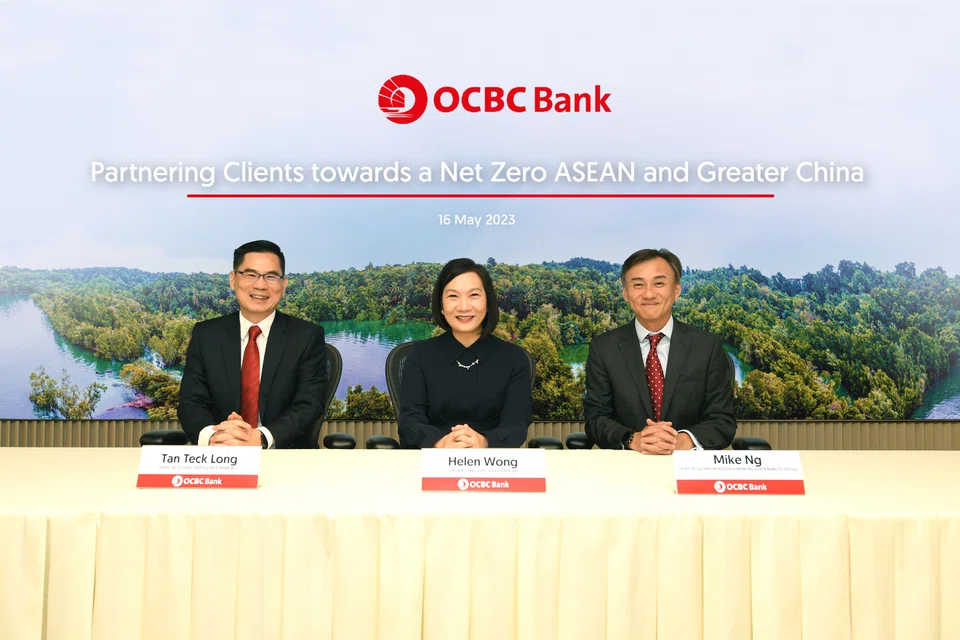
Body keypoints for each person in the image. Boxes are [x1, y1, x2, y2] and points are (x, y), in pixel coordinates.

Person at [178, 240, 328, 449]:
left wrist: (261, 438)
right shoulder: (206, 334)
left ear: (284, 284)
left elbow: (309, 404)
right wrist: (213, 438)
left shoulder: (307, 336)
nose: (260, 285)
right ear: (233, 279)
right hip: (219, 454)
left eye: (271, 276)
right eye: (250, 275)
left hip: (284, 455)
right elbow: (190, 401)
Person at [584, 248, 736, 453]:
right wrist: (633, 439)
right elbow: (596, 419)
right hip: (627, 465)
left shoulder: (706, 346)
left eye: (659, 283)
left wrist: (682, 440)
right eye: (638, 284)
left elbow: (723, 420)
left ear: (676, 289)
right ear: (625, 294)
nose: (648, 293)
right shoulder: (604, 348)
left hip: (689, 466)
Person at [398, 258, 533, 449]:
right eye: (453, 296)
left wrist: (483, 442)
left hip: (494, 467)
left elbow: (516, 426)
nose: (463, 307)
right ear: (441, 305)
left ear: (488, 302)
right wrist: (443, 443)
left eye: (474, 295)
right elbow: (410, 423)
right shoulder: (419, 355)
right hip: (432, 463)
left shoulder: (514, 358)